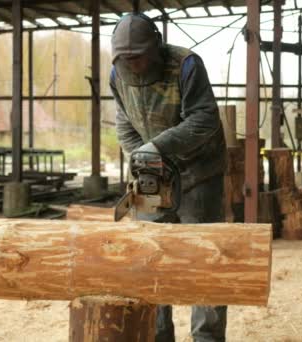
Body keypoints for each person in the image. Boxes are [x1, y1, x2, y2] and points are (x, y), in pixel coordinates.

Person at [110, 13, 227, 342]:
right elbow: (124, 121)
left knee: (204, 256)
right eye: (125, 59)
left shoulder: (187, 65)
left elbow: (204, 119)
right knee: (150, 254)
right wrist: (140, 157)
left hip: (199, 169)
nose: (132, 65)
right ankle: (157, 334)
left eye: (138, 57)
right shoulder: (115, 75)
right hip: (152, 170)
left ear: (156, 47)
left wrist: (158, 146)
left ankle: (206, 338)